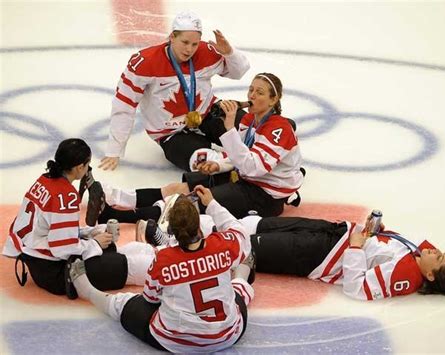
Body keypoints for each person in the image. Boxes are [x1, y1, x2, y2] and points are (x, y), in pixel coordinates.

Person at [95, 72, 304, 222]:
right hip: (245, 179)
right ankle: (114, 196)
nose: (252, 96)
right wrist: (219, 166)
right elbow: (239, 156)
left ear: (273, 99)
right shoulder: (249, 119)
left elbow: (252, 167)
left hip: (265, 195)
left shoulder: (279, 129)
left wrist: (228, 129)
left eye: (260, 93)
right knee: (177, 189)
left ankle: (115, 215)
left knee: (189, 205)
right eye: (251, 90)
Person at [68, 186, 255, 353]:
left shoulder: (164, 259)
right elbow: (239, 232)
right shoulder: (222, 245)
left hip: (177, 340)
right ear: (199, 226)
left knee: (125, 303)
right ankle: (243, 274)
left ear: (172, 230)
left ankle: (88, 292)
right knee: (232, 292)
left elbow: (151, 298)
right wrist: (212, 203)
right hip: (228, 334)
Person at [133, 211, 445, 301]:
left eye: (439, 258)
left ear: (430, 276)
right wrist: (372, 229)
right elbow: (381, 242)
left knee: (246, 244)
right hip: (332, 232)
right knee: (254, 223)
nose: (434, 250)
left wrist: (355, 247)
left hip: (318, 255)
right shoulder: (416, 253)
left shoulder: (405, 277)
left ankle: (169, 242)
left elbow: (357, 288)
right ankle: (169, 219)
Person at [2, 139, 155, 297]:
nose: (89, 168)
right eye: (87, 164)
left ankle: (163, 251)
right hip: (57, 273)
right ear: (79, 167)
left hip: (38, 262)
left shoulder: (44, 180)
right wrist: (94, 243)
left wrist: (87, 233)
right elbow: (63, 248)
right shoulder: (66, 196)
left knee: (134, 249)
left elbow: (47, 229)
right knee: (140, 267)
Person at [99, 10, 250, 171]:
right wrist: (114, 150)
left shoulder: (206, 52)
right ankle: (242, 166)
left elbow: (237, 73)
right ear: (172, 37)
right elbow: (124, 105)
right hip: (170, 133)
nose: (189, 49)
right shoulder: (145, 62)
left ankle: (247, 163)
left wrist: (229, 53)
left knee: (254, 133)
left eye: (194, 44)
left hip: (208, 114)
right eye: (185, 42)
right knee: (207, 165)